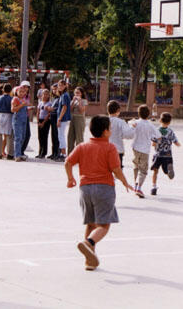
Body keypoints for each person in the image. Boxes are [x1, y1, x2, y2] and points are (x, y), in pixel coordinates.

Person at [64, 115, 133, 271]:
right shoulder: (110, 148)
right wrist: (124, 182)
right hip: (104, 188)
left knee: (90, 223)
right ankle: (89, 243)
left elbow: (68, 162)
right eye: (110, 127)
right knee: (103, 225)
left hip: (85, 189)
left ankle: (90, 260)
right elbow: (116, 169)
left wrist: (70, 179)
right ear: (106, 131)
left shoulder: (82, 146)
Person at [129, 105, 160, 198]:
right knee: (143, 169)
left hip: (135, 147)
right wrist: (153, 139)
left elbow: (130, 127)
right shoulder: (150, 125)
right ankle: (139, 187)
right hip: (145, 150)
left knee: (136, 166)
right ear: (148, 114)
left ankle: (135, 184)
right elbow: (158, 136)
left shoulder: (136, 123)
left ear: (138, 113)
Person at [150, 112, 180, 196]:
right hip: (167, 154)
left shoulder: (156, 130)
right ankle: (168, 172)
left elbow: (153, 143)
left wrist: (156, 144)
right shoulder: (170, 131)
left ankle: (154, 187)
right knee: (166, 170)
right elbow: (175, 141)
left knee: (155, 171)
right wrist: (178, 144)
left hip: (158, 154)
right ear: (169, 122)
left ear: (160, 120)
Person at [106, 100, 135, 167]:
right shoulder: (121, 122)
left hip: (105, 150)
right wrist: (133, 128)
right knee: (117, 169)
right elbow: (128, 135)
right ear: (118, 111)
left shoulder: (104, 121)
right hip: (117, 150)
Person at [11, 82, 34, 162]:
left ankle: (20, 153)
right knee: (18, 138)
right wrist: (22, 105)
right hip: (17, 120)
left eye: (23, 91)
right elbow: (13, 109)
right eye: (20, 91)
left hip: (24, 119)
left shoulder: (24, 99)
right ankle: (16, 155)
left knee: (23, 137)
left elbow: (24, 107)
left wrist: (28, 107)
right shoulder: (15, 99)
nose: (22, 93)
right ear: (16, 92)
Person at [0, 84, 14, 160]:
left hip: (0, 115)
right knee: (9, 135)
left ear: (3, 90)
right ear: (11, 90)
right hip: (9, 116)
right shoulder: (12, 99)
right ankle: (10, 154)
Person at [56, 79, 72, 161]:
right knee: (60, 136)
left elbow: (64, 107)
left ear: (65, 86)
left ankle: (63, 154)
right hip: (62, 118)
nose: (60, 87)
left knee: (61, 136)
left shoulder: (65, 95)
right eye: (59, 85)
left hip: (63, 118)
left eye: (62, 85)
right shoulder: (62, 95)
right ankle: (62, 153)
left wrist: (59, 119)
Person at [46, 84, 62, 160]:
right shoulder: (54, 98)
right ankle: (53, 153)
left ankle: (57, 153)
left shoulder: (61, 98)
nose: (54, 91)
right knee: (53, 136)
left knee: (57, 136)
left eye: (55, 89)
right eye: (53, 89)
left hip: (56, 117)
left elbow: (59, 108)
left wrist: (52, 109)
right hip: (52, 118)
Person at [36, 88, 53, 158]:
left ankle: (43, 152)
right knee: (40, 137)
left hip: (46, 121)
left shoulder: (49, 103)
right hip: (40, 120)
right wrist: (38, 121)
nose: (45, 96)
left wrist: (43, 122)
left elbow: (48, 114)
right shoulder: (40, 103)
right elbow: (38, 112)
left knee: (44, 136)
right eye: (43, 94)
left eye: (46, 94)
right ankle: (40, 151)